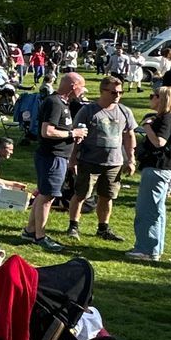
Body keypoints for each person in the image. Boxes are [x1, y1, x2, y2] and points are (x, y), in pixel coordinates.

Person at [64, 77, 136, 241]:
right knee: (81, 194)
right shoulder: (88, 111)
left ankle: (103, 228)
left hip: (114, 162)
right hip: (89, 160)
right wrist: (73, 159)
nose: (117, 95)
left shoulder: (125, 111)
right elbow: (77, 137)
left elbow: (129, 135)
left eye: (120, 92)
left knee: (107, 196)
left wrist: (131, 159)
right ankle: (73, 226)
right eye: (113, 92)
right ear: (102, 91)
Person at [23, 73, 86, 252]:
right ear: (74, 86)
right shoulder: (54, 103)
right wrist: (72, 134)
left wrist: (74, 134)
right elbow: (47, 131)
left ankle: (30, 231)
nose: (82, 92)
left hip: (57, 156)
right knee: (47, 197)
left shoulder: (64, 104)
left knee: (44, 194)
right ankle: (40, 236)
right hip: (51, 157)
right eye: (82, 87)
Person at [126, 87, 171, 263]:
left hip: (157, 167)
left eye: (154, 96)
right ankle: (154, 248)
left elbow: (159, 142)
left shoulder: (166, 118)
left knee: (147, 210)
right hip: (167, 168)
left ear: (163, 99)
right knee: (157, 210)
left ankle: (145, 249)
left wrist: (147, 127)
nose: (151, 98)